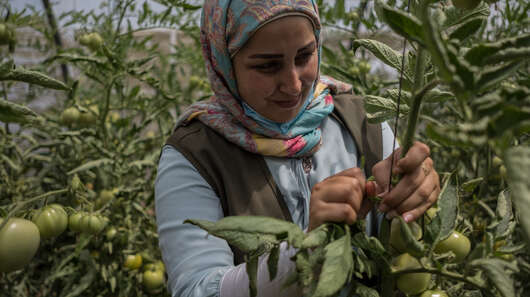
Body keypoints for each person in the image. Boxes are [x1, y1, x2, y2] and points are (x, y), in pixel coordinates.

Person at [154, 1, 440, 297]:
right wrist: (302, 251)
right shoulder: (194, 156)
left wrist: (413, 197)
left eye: (305, 56)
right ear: (224, 62)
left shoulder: (366, 120)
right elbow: (196, 290)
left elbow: (401, 248)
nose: (292, 85)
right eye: (267, 65)